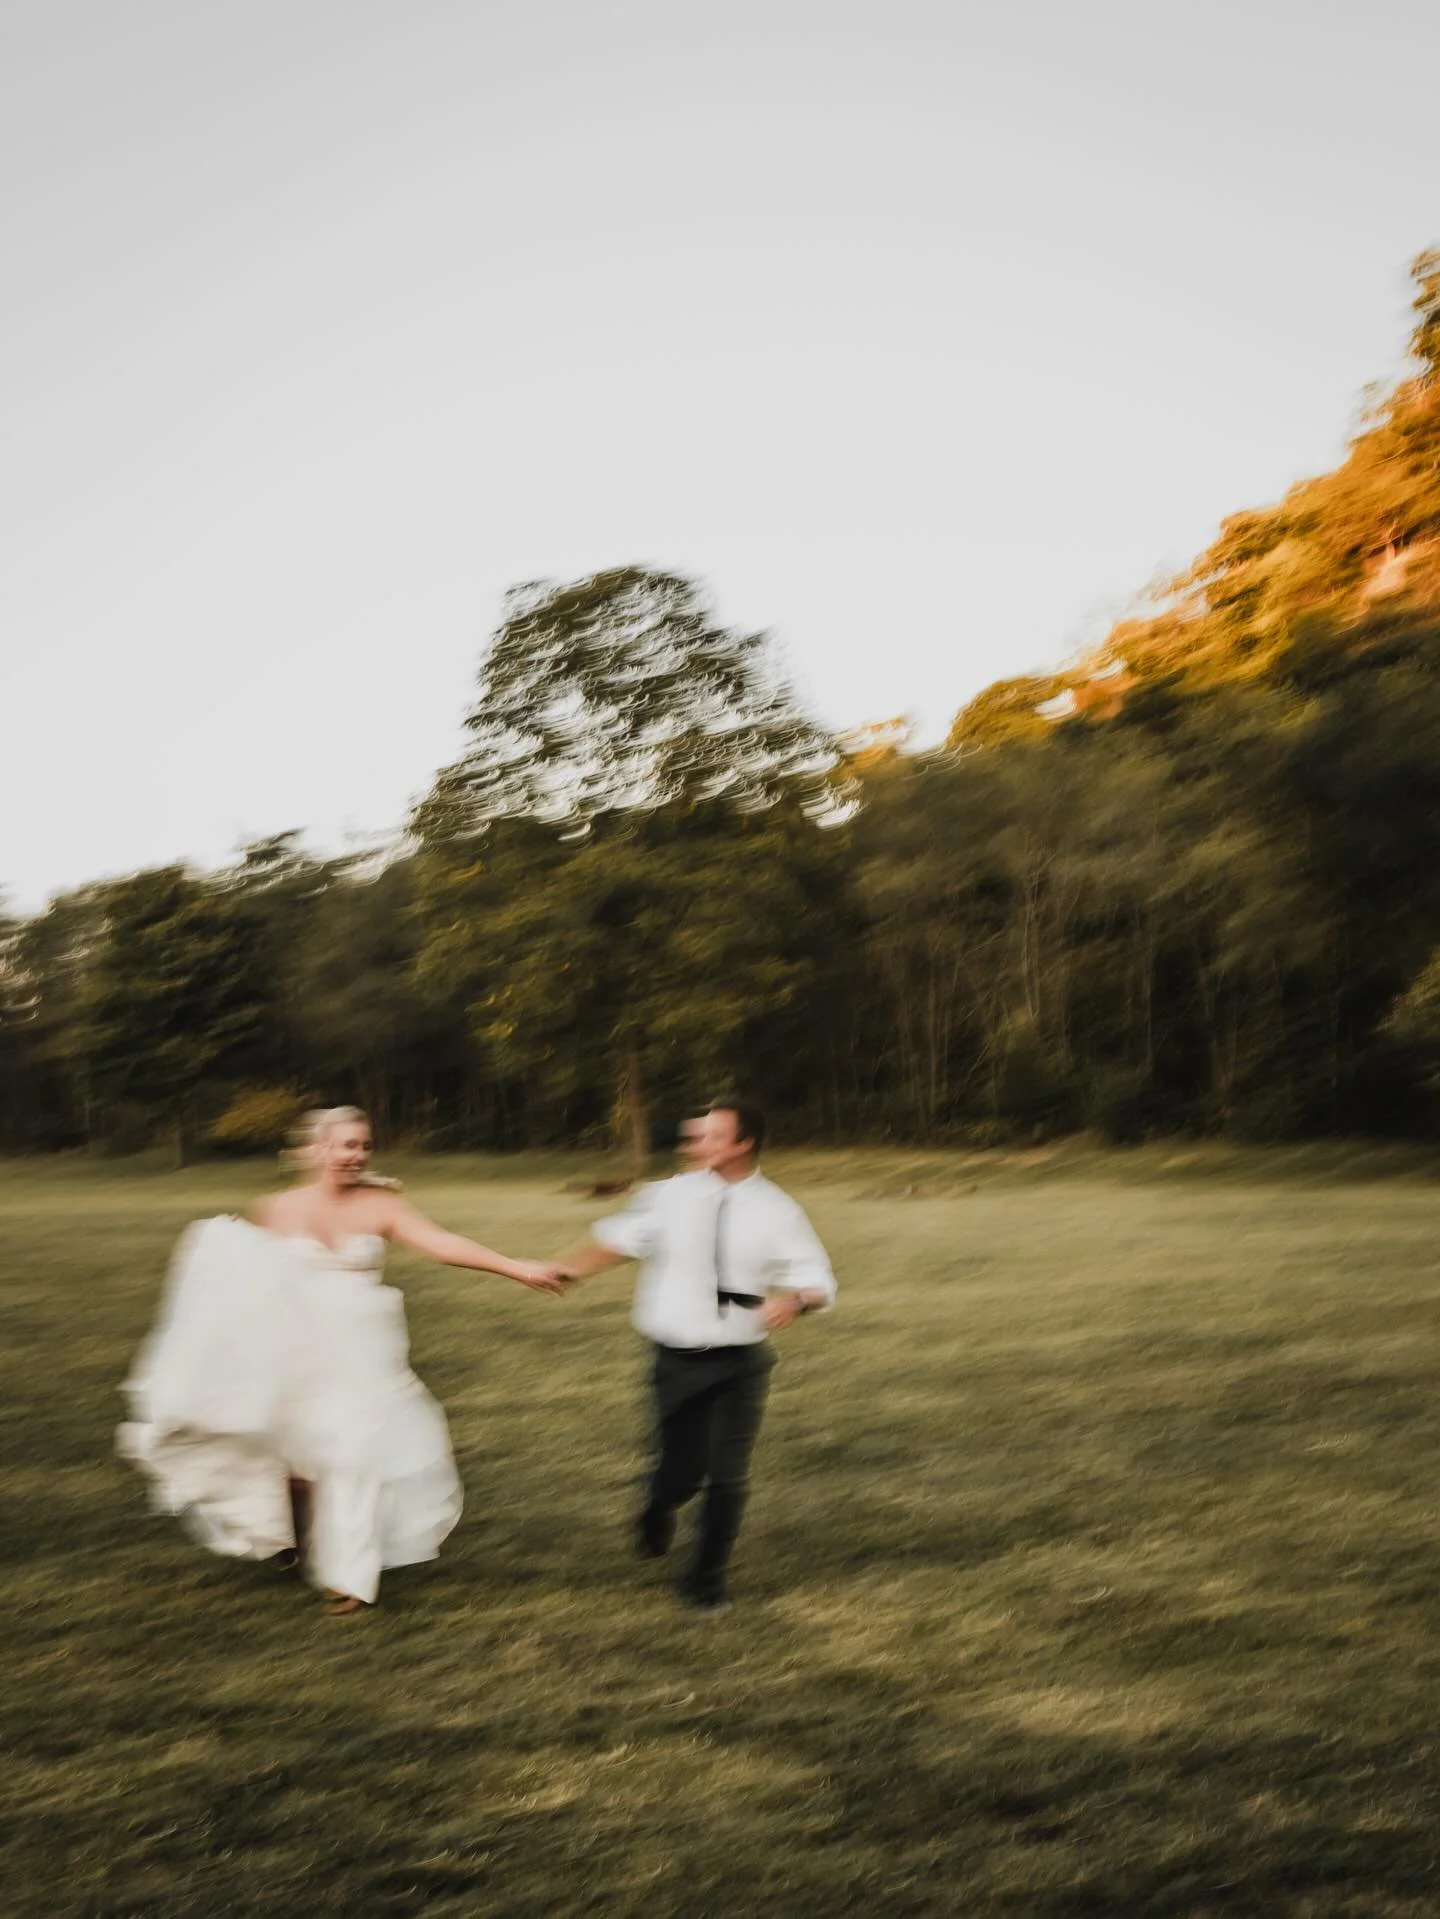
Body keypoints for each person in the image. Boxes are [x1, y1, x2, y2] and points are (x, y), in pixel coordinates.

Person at [118, 1106, 565, 1614]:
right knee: (295, 1462)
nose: (357, 1155)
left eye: (364, 1146)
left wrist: (516, 1268)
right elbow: (249, 1284)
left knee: (354, 1451)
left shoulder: (382, 1203)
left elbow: (440, 1243)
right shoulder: (277, 1208)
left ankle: (349, 1574)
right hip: (299, 1348)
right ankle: (296, 1539)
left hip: (365, 1351)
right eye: (347, 1145)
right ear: (318, 1149)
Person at [558, 1099, 836, 1609]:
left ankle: (706, 1581)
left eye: (708, 1136)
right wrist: (569, 1272)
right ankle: (658, 1504)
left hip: (740, 1364)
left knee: (728, 1475)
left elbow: (819, 1280)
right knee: (679, 1472)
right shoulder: (667, 1197)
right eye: (694, 1137)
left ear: (741, 1144)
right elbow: (619, 1241)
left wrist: (795, 1300)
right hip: (676, 1359)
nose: (693, 1145)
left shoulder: (778, 1209)